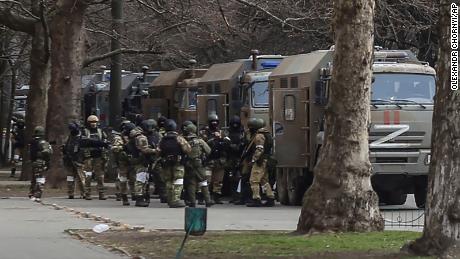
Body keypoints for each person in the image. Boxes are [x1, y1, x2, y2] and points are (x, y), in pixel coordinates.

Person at [158, 119, 191, 208]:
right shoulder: (179, 138)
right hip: (178, 163)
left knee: (168, 180)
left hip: (166, 163)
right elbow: (187, 149)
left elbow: (158, 151)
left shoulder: (162, 139)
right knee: (178, 180)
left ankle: (170, 199)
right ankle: (176, 200)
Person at [243, 118, 275, 207]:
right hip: (265, 160)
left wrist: (254, 160)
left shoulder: (259, 136)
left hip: (260, 161)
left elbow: (259, 149)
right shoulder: (266, 134)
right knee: (264, 180)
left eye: (250, 127)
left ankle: (256, 199)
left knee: (254, 180)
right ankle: (270, 197)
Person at [183, 123, 213, 207]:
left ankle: (192, 202)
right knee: (203, 182)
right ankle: (208, 201)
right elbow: (209, 151)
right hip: (198, 163)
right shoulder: (200, 141)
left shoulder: (184, 141)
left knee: (191, 183)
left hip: (188, 164)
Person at [203, 114, 230, 204]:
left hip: (219, 161)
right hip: (209, 161)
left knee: (218, 181)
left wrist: (221, 138)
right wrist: (213, 139)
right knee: (207, 180)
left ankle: (216, 197)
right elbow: (203, 143)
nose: (214, 124)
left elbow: (228, 142)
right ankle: (205, 197)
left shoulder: (222, 132)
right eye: (212, 122)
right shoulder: (204, 132)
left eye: (216, 122)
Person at [82, 115, 108, 200]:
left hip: (99, 156)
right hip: (88, 156)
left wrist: (100, 144)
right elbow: (85, 142)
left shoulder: (101, 131)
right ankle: (87, 193)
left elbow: (105, 142)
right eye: (91, 122)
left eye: (95, 122)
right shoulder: (84, 131)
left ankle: (101, 193)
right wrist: (98, 143)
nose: (93, 124)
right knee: (88, 175)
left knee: (99, 176)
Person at [140, 119, 165, 203]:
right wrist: (154, 150)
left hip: (156, 160)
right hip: (145, 160)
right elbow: (143, 149)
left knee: (160, 179)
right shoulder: (142, 136)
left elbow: (161, 145)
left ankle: (163, 196)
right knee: (144, 180)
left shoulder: (158, 135)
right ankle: (145, 196)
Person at [111, 121, 135, 206]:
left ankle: (134, 194)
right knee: (123, 178)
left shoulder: (134, 137)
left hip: (132, 160)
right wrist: (123, 147)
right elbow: (115, 148)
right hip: (122, 161)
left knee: (133, 178)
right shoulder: (119, 137)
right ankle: (124, 195)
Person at [28, 126, 53, 202]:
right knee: (40, 179)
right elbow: (48, 152)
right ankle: (37, 194)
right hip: (41, 162)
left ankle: (31, 193)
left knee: (34, 179)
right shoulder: (43, 142)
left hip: (34, 162)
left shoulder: (32, 142)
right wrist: (47, 160)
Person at [62, 122, 85, 199]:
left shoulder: (81, 137)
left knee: (81, 178)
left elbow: (83, 149)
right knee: (70, 177)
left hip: (78, 160)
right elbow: (65, 147)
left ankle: (84, 193)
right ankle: (71, 193)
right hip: (69, 160)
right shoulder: (69, 137)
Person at [226, 116, 244, 203]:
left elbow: (242, 145)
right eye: (234, 124)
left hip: (239, 158)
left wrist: (233, 146)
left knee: (238, 178)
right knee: (232, 178)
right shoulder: (228, 133)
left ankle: (239, 196)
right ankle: (234, 196)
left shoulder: (242, 133)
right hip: (231, 158)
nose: (235, 125)